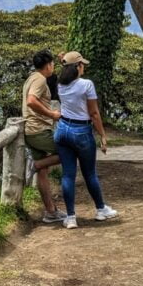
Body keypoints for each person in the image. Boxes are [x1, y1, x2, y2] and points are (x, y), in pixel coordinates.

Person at [54, 50, 119, 227]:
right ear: (78, 67)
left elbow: (64, 70)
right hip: (81, 131)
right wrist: (102, 135)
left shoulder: (60, 85)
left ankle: (71, 217)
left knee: (68, 175)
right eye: (82, 64)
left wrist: (64, 61)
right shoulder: (86, 85)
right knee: (89, 173)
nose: (84, 67)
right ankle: (100, 209)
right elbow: (94, 113)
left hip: (62, 130)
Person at [22, 49, 67, 224]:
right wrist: (51, 114)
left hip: (31, 130)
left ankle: (50, 212)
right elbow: (31, 101)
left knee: (43, 172)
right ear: (48, 65)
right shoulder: (40, 79)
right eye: (53, 64)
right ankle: (35, 164)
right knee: (69, 151)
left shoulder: (32, 78)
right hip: (38, 130)